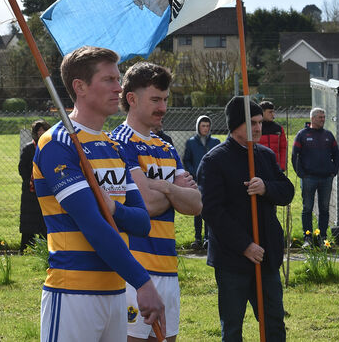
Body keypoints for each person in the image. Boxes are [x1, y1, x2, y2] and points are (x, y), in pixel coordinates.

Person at [34, 46, 165, 342]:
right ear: (79, 87)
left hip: (116, 292)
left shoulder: (113, 146)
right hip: (72, 293)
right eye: (109, 80)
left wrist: (115, 209)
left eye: (118, 79)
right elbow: (92, 225)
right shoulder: (57, 143)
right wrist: (143, 282)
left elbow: (143, 223)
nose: (119, 88)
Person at [111, 61, 202, 342]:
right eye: (155, 99)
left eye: (165, 99)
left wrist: (160, 186)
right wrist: (174, 191)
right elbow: (146, 205)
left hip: (168, 269)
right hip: (135, 270)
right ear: (131, 98)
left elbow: (197, 205)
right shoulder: (117, 143)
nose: (162, 107)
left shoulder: (166, 146)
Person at [197, 97, 294, 342]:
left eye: (260, 122)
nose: (259, 128)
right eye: (252, 123)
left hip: (266, 257)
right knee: (232, 328)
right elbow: (212, 211)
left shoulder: (265, 155)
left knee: (274, 322)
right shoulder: (214, 161)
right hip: (233, 260)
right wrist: (245, 245)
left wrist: (266, 188)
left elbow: (287, 191)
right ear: (235, 126)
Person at [291, 107, 339, 245]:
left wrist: (333, 170)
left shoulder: (328, 135)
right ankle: (307, 238)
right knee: (307, 207)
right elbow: (295, 156)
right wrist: (301, 174)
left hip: (326, 178)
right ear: (312, 119)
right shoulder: (302, 135)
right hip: (308, 178)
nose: (323, 120)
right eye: (320, 117)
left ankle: (322, 237)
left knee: (324, 208)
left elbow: (336, 154)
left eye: (324, 117)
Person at [183, 114, 220, 250]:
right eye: (203, 126)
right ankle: (197, 238)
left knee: (209, 209)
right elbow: (187, 160)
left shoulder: (215, 142)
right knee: (197, 210)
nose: (205, 128)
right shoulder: (191, 142)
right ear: (198, 127)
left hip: (210, 181)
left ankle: (208, 238)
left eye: (207, 126)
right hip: (197, 181)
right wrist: (193, 172)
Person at [18, 119, 50, 251]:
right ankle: (26, 248)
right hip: (30, 191)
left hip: (47, 190)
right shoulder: (28, 148)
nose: (40, 133)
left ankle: (45, 248)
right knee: (28, 222)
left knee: (45, 222)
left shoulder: (50, 147)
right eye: (38, 131)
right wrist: (29, 181)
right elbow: (22, 168)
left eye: (43, 130)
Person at [258, 101, 287, 171]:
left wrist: (282, 166)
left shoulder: (278, 128)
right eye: (270, 112)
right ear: (262, 112)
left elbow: (283, 148)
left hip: (276, 168)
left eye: (273, 112)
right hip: (260, 167)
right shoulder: (256, 128)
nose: (273, 114)